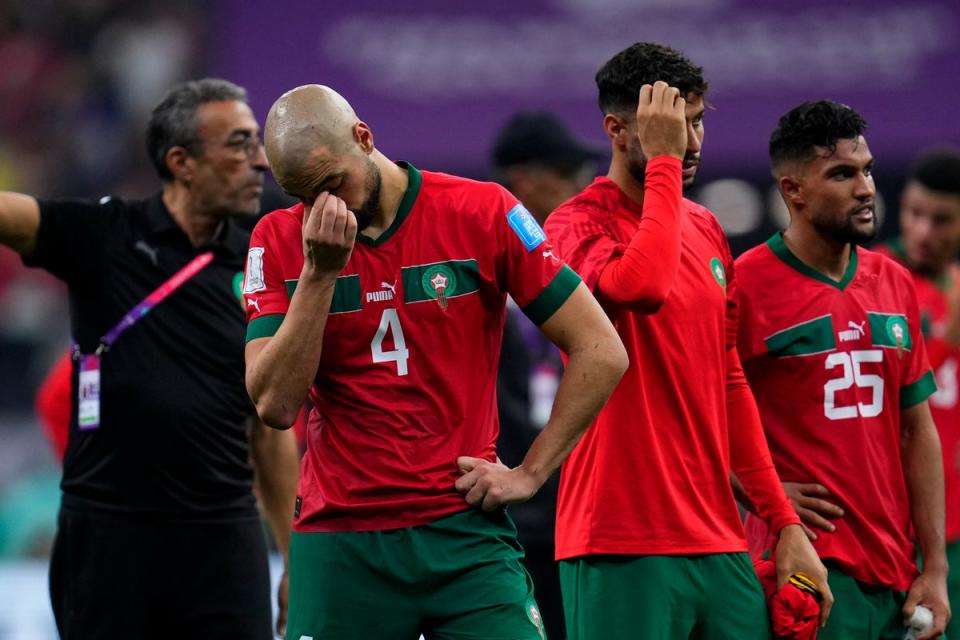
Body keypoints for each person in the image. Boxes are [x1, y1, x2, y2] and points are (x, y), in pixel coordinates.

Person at [243, 84, 628, 640]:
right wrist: (320, 274)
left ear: (364, 137)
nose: (325, 208)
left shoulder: (482, 211)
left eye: (332, 184)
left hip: (465, 533)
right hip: (341, 539)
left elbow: (601, 348)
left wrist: (531, 474)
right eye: (303, 195)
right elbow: (275, 405)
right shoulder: (279, 240)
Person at [544, 42, 830, 639]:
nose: (692, 142)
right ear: (618, 130)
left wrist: (785, 526)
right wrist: (666, 168)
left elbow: (728, 380)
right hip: (618, 537)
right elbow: (640, 287)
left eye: (696, 123)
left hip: (719, 539)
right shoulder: (571, 225)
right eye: (672, 126)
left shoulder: (705, 228)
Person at [0, 78, 299, 639]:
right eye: (238, 144)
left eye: (257, 142)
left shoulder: (261, 262)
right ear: (181, 161)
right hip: (110, 540)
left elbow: (268, 432)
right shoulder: (104, 235)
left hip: (223, 540)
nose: (260, 161)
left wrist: (293, 555)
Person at [734, 101, 950, 639]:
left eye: (868, 170)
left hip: (898, 576)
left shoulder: (894, 282)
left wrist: (936, 569)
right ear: (793, 191)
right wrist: (758, 491)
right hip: (806, 576)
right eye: (842, 174)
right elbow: (691, 420)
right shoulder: (743, 287)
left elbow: (917, 429)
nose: (866, 189)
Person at [490, 110, 606, 640]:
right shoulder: (480, 270)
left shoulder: (581, 268)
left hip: (580, 500)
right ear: (524, 180)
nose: (582, 186)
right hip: (508, 512)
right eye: (568, 173)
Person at [877, 146, 960, 638]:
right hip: (888, 529)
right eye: (914, 213)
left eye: (942, 219)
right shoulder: (874, 281)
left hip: (952, 533)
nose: (924, 231)